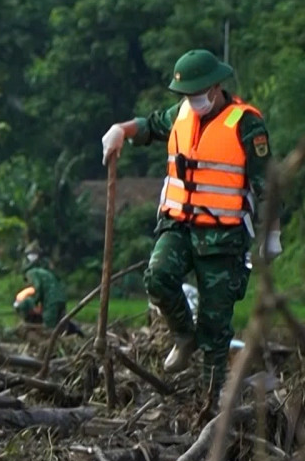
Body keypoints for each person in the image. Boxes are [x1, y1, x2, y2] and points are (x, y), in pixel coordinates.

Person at [101, 48, 276, 404]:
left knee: (216, 328)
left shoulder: (246, 123)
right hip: (179, 225)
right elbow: (148, 126)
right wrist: (121, 130)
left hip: (223, 239)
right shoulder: (180, 114)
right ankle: (184, 335)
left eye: (196, 93)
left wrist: (271, 232)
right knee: (158, 276)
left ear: (214, 88)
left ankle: (210, 405)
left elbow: (267, 183)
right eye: (185, 95)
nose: (190, 101)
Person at [20, 242, 71, 330]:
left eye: (34, 253)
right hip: (49, 294)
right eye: (30, 253)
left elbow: (40, 286)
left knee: (51, 322)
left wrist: (35, 300)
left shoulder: (43, 265)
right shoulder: (26, 265)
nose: (32, 255)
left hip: (51, 295)